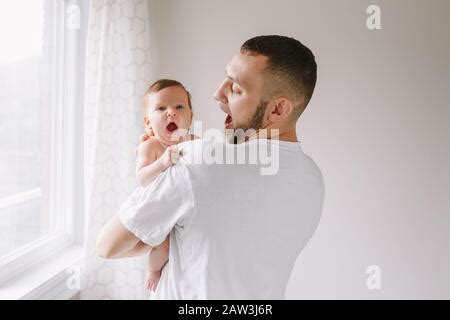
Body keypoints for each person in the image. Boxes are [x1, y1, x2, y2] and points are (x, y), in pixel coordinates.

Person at [97, 35, 325, 299]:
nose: (218, 93)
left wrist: (164, 229)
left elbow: (108, 245)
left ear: (277, 109)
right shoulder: (313, 179)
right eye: (225, 78)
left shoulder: (199, 157)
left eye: (236, 89)